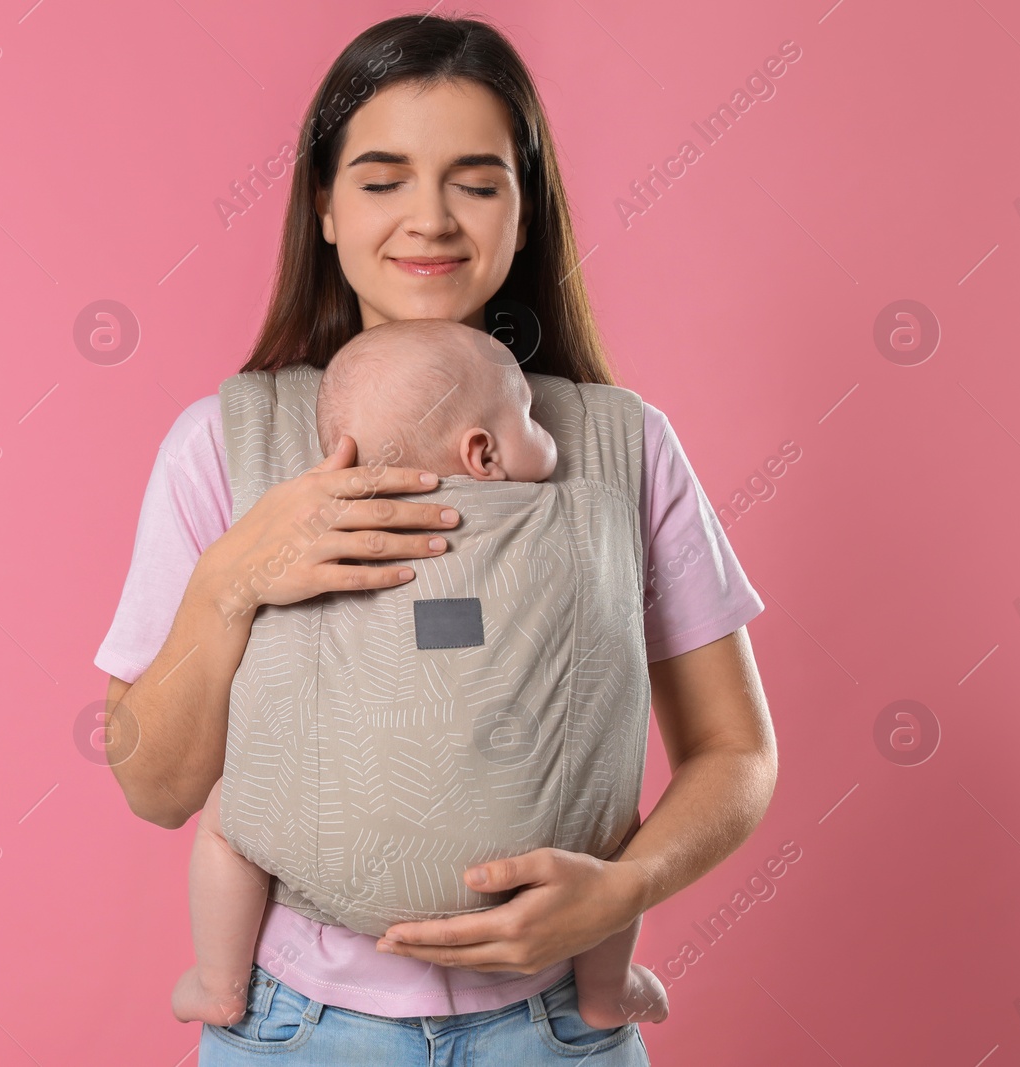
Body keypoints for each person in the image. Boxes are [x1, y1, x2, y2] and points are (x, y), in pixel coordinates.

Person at [95, 14, 776, 1064]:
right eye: (380, 178)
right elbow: (155, 786)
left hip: (556, 1027)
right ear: (322, 205)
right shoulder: (226, 445)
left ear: (523, 207)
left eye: (475, 178)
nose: (430, 218)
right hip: (295, 1027)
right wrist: (233, 577)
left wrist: (623, 890)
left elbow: (735, 751)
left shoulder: (615, 445)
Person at [173, 317, 669, 1032]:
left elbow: (167, 792)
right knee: (613, 822)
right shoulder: (596, 492)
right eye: (530, 417)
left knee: (228, 820)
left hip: (330, 878)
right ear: (484, 453)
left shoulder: (288, 494)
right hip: (540, 870)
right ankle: (604, 990)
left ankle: (217, 983)